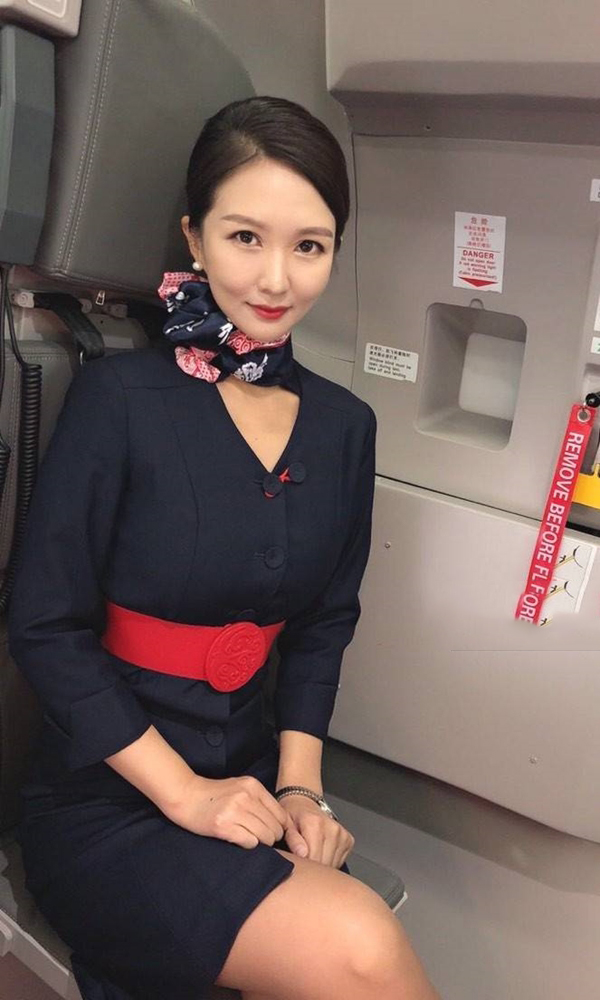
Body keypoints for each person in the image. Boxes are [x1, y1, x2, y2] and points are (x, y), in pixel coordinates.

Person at [9, 96, 440, 1000]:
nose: (277, 278)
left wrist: (302, 790)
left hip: (250, 784)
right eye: (246, 237)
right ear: (194, 239)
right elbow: (45, 626)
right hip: (108, 801)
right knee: (361, 945)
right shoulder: (120, 401)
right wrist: (184, 793)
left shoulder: (345, 427)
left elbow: (323, 626)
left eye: (310, 245)